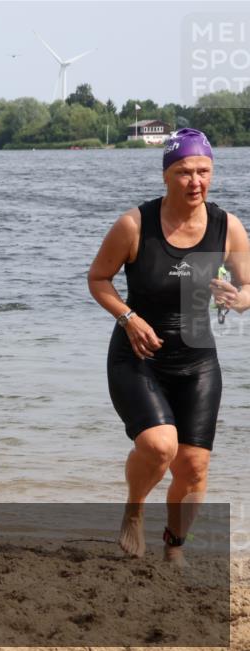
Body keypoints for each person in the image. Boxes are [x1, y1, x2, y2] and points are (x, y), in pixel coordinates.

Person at [87, 128, 249, 563]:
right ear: (166, 175)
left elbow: (249, 285)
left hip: (197, 360)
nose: (195, 181)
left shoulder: (226, 226)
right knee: (160, 446)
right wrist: (128, 316)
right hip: (138, 354)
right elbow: (98, 279)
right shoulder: (134, 224)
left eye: (203, 172)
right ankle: (134, 511)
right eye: (183, 172)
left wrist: (237, 299)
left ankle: (175, 546)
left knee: (194, 466)